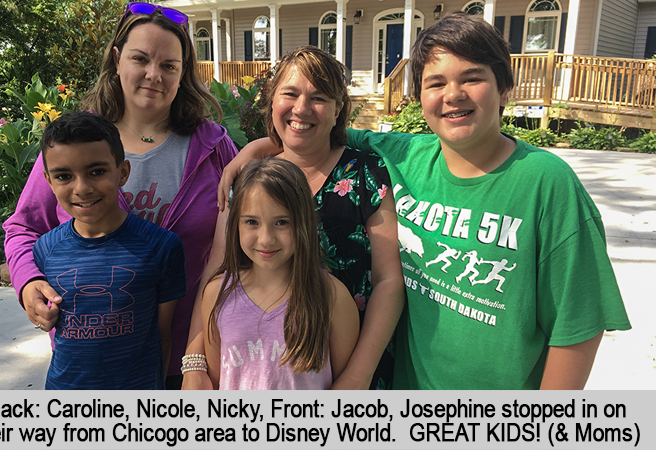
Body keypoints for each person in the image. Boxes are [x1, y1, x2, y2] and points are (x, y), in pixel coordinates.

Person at [224, 13, 631, 389]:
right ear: (420, 96)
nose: (453, 95)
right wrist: (257, 149)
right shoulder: (406, 156)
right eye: (436, 83)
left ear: (505, 87)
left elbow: (578, 326)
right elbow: (313, 133)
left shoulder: (547, 183)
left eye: (472, 78)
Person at [3, 1, 238, 389]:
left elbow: (253, 215)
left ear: (183, 73)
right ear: (116, 59)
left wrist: (256, 150)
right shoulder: (78, 145)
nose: (153, 74)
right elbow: (22, 227)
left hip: (190, 357)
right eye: (140, 58)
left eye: (168, 65)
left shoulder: (213, 148)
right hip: (97, 361)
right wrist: (28, 282)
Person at [196, 46, 404, 390]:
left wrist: (356, 377)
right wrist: (194, 361)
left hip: (352, 363)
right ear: (272, 101)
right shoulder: (249, 178)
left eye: (319, 97)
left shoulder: (367, 175)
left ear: (339, 109)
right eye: (289, 94)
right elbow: (217, 273)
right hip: (262, 363)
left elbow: (388, 281)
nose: (301, 108)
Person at [34, 111, 185, 389]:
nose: (82, 188)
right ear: (48, 180)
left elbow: (164, 335)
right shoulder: (46, 249)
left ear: (123, 172)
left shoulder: (161, 247)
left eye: (97, 171)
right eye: (64, 176)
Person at [202, 157, 359, 389]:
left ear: (303, 222)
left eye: (282, 222)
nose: (266, 239)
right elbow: (214, 381)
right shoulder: (217, 293)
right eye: (252, 222)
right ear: (235, 223)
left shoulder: (332, 296)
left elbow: (344, 385)